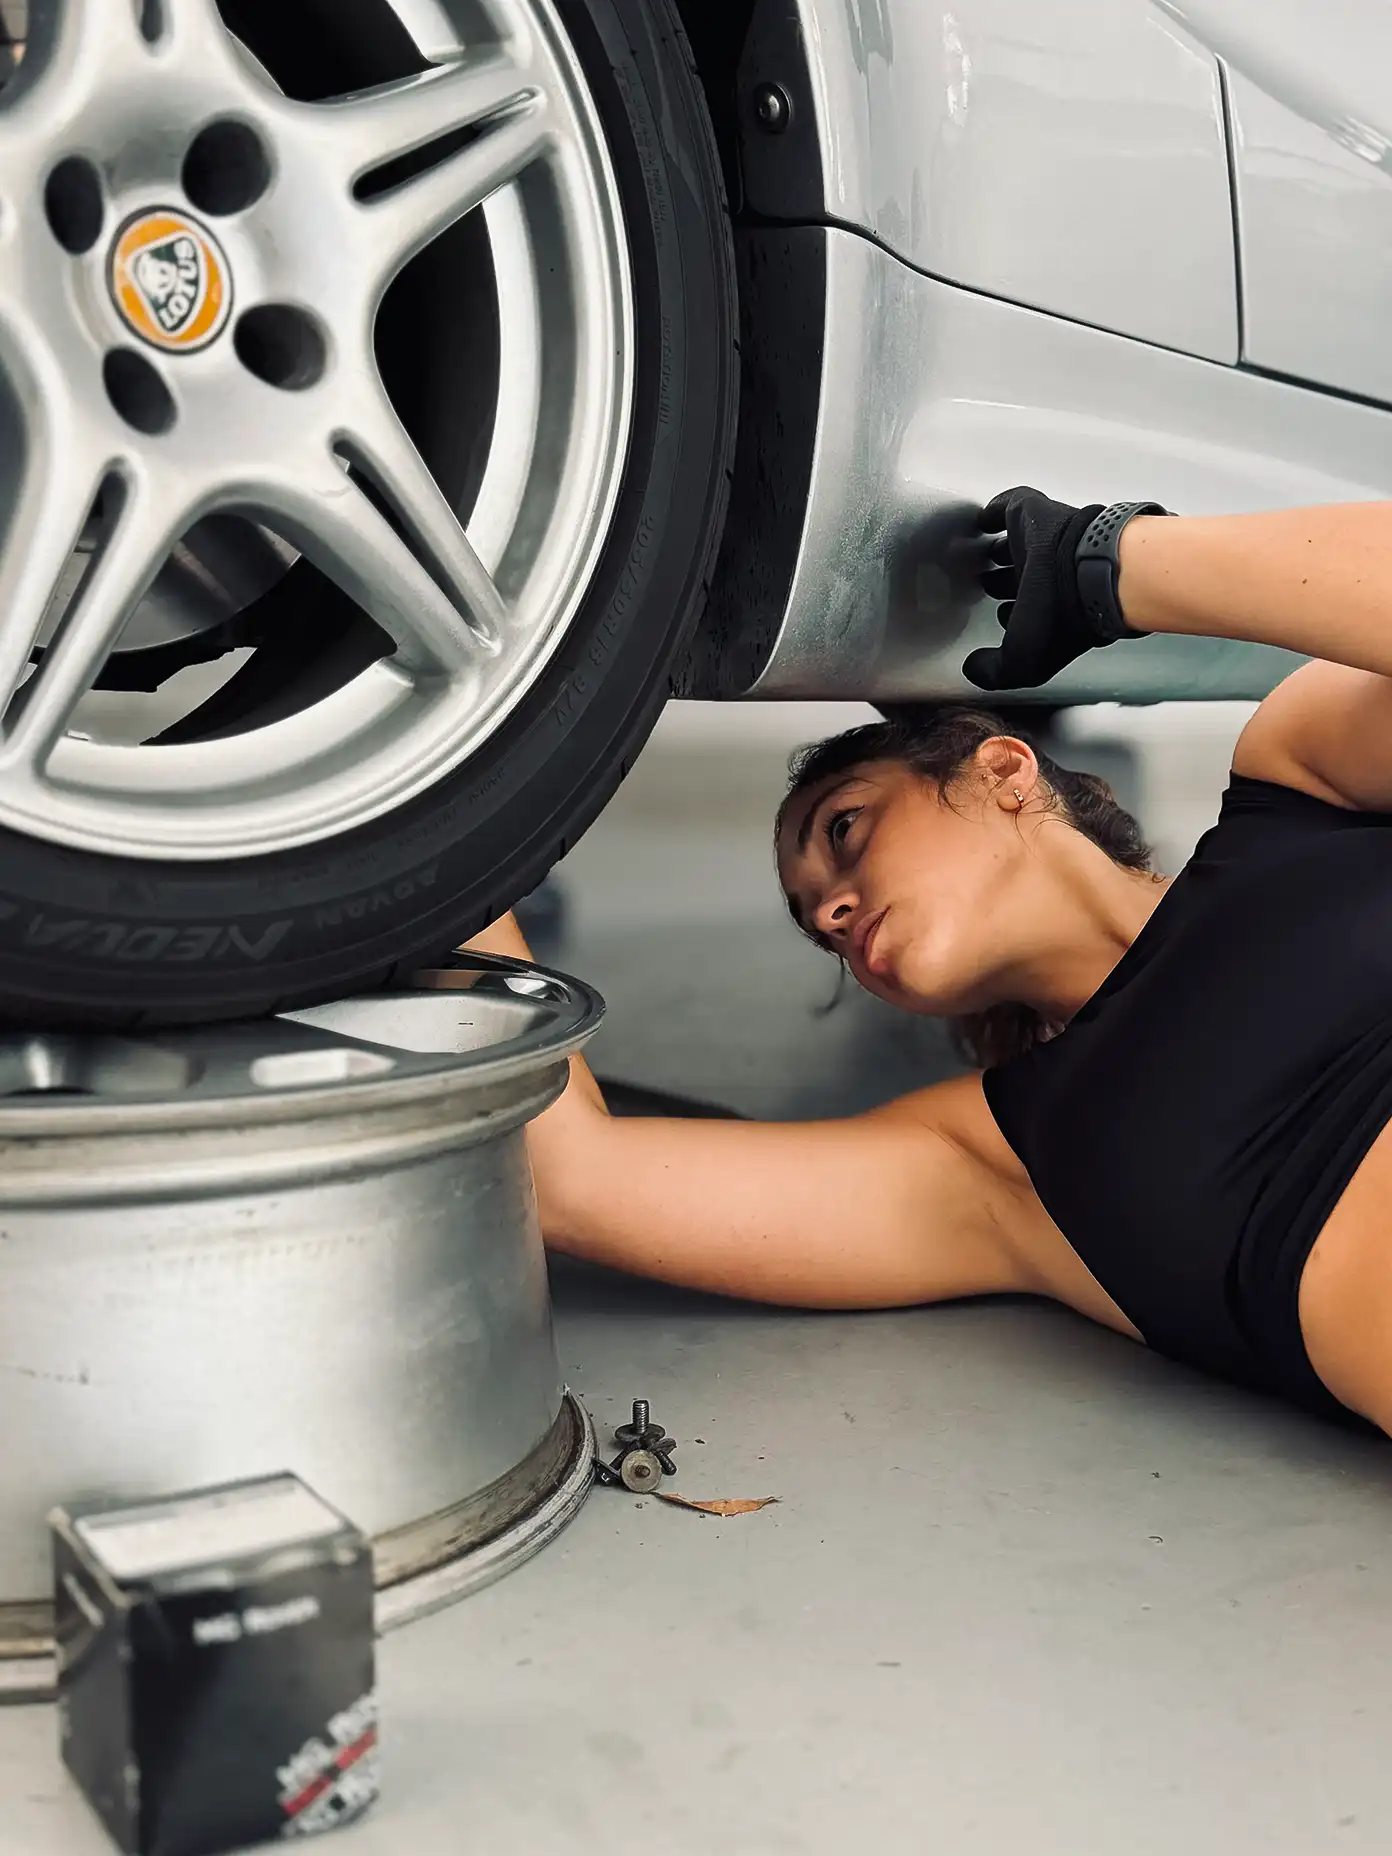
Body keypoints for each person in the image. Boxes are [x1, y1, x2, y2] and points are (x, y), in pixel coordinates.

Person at [468, 489, 1392, 1440]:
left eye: (846, 828)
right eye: (814, 926)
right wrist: (456, 809)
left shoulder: (1304, 794)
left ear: (1001, 771)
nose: (830, 909)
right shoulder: (992, 1166)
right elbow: (578, 1183)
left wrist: (1109, 567)